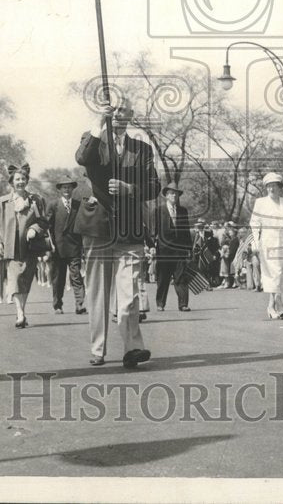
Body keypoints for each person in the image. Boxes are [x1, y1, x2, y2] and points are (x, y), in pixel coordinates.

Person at [76, 102, 161, 368]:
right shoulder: (94, 141)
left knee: (129, 294)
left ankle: (133, 347)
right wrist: (99, 124)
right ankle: (98, 348)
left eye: (124, 108)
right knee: (98, 293)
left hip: (130, 231)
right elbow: (82, 158)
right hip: (98, 228)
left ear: (131, 115)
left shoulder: (142, 149)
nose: (118, 113)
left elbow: (154, 186)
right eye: (114, 108)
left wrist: (129, 188)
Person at [0, 163, 49, 329]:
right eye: (17, 179)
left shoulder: (36, 200)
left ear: (27, 181)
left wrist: (34, 229)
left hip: (30, 247)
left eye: (23, 178)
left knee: (25, 280)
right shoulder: (2, 202)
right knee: (15, 278)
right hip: (10, 247)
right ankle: (20, 313)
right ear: (11, 182)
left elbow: (43, 222)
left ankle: (21, 312)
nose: (20, 182)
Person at [249, 172, 283, 319]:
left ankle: (272, 305)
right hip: (267, 242)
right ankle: (278, 303)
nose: (271, 189)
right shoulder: (260, 202)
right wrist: (255, 242)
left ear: (280, 187)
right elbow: (254, 224)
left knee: (282, 274)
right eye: (268, 186)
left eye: (274, 186)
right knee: (274, 273)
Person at [47, 174, 88, 315]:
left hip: (74, 247)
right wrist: (50, 245)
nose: (67, 190)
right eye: (64, 187)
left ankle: (80, 304)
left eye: (69, 187)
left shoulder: (78, 204)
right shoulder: (53, 205)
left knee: (76, 276)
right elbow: (47, 226)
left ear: (72, 189)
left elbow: (83, 225)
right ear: (60, 189)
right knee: (58, 278)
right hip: (57, 248)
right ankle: (57, 305)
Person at [152, 182, 193, 312]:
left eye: (176, 193)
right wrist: (152, 245)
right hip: (163, 250)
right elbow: (154, 230)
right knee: (163, 278)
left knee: (181, 277)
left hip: (179, 250)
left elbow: (186, 231)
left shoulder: (183, 211)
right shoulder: (158, 211)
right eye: (171, 193)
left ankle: (183, 304)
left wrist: (189, 249)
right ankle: (160, 303)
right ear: (166, 195)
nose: (174, 196)